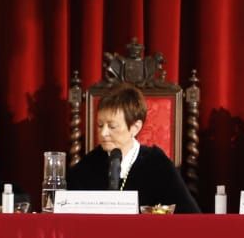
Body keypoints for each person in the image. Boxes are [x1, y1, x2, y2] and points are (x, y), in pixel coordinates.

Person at [67, 83, 200, 212]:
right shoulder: (88, 165)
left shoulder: (157, 164)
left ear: (135, 127)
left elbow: (190, 217)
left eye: (112, 126)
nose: (103, 133)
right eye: (100, 125)